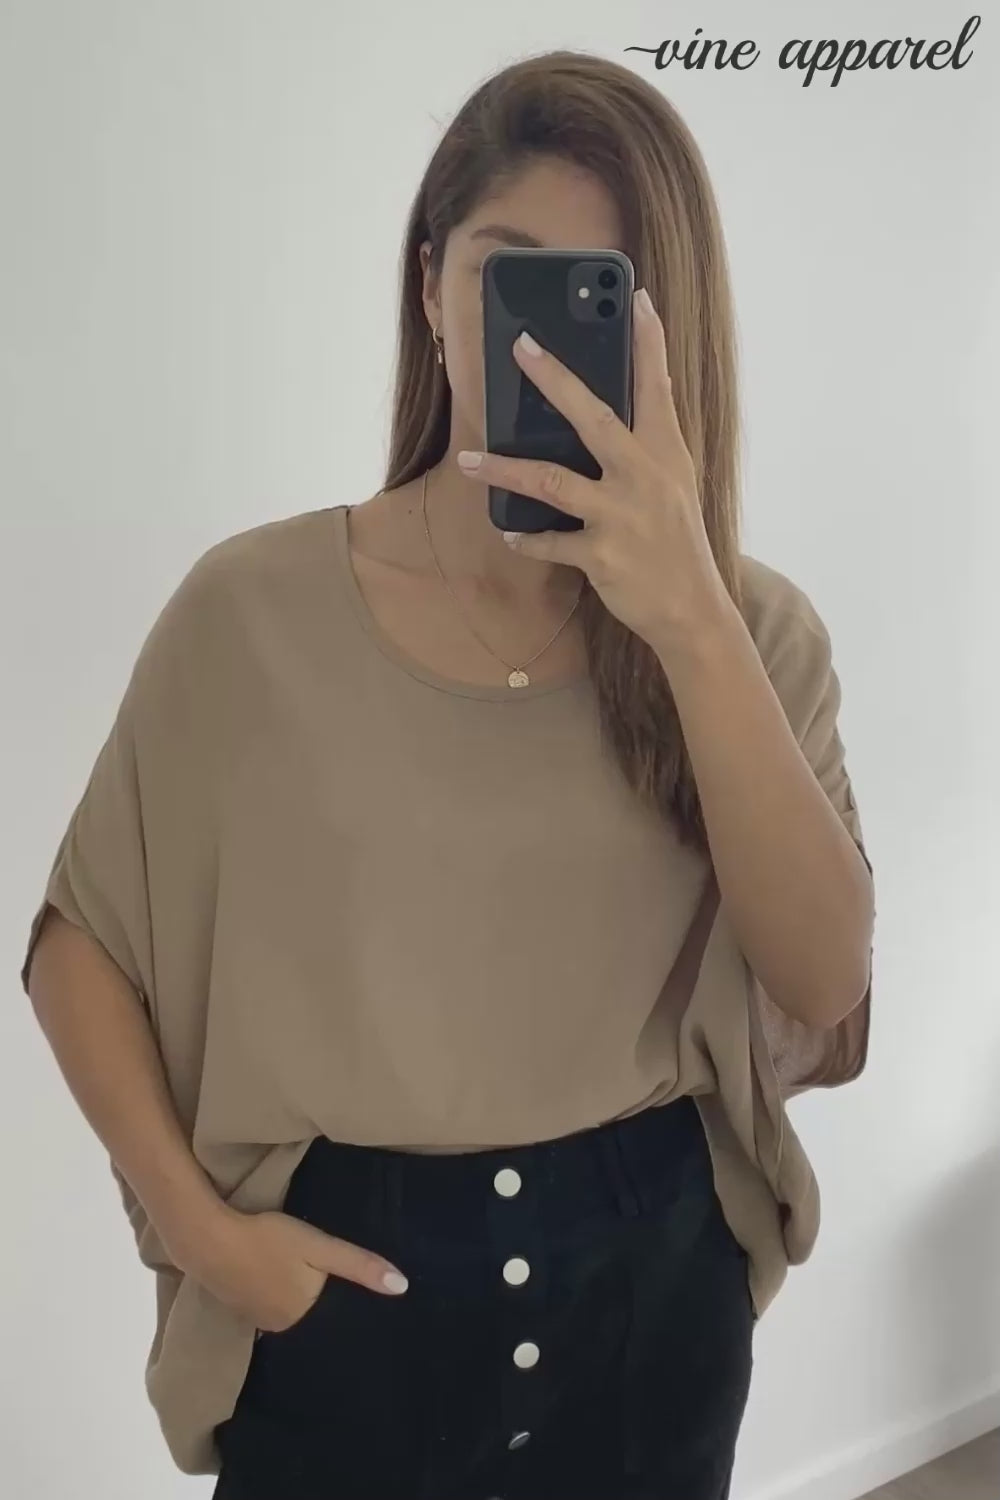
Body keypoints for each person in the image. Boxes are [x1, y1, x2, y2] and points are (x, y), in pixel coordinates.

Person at [21, 49, 874, 1500]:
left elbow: (824, 976)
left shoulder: (751, 633)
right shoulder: (252, 615)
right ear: (431, 289)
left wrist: (689, 619)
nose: (540, 350)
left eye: (596, 295)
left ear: (669, 328)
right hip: (343, 1310)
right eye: (503, 274)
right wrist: (204, 1239)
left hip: (652, 1304)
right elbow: (81, 945)